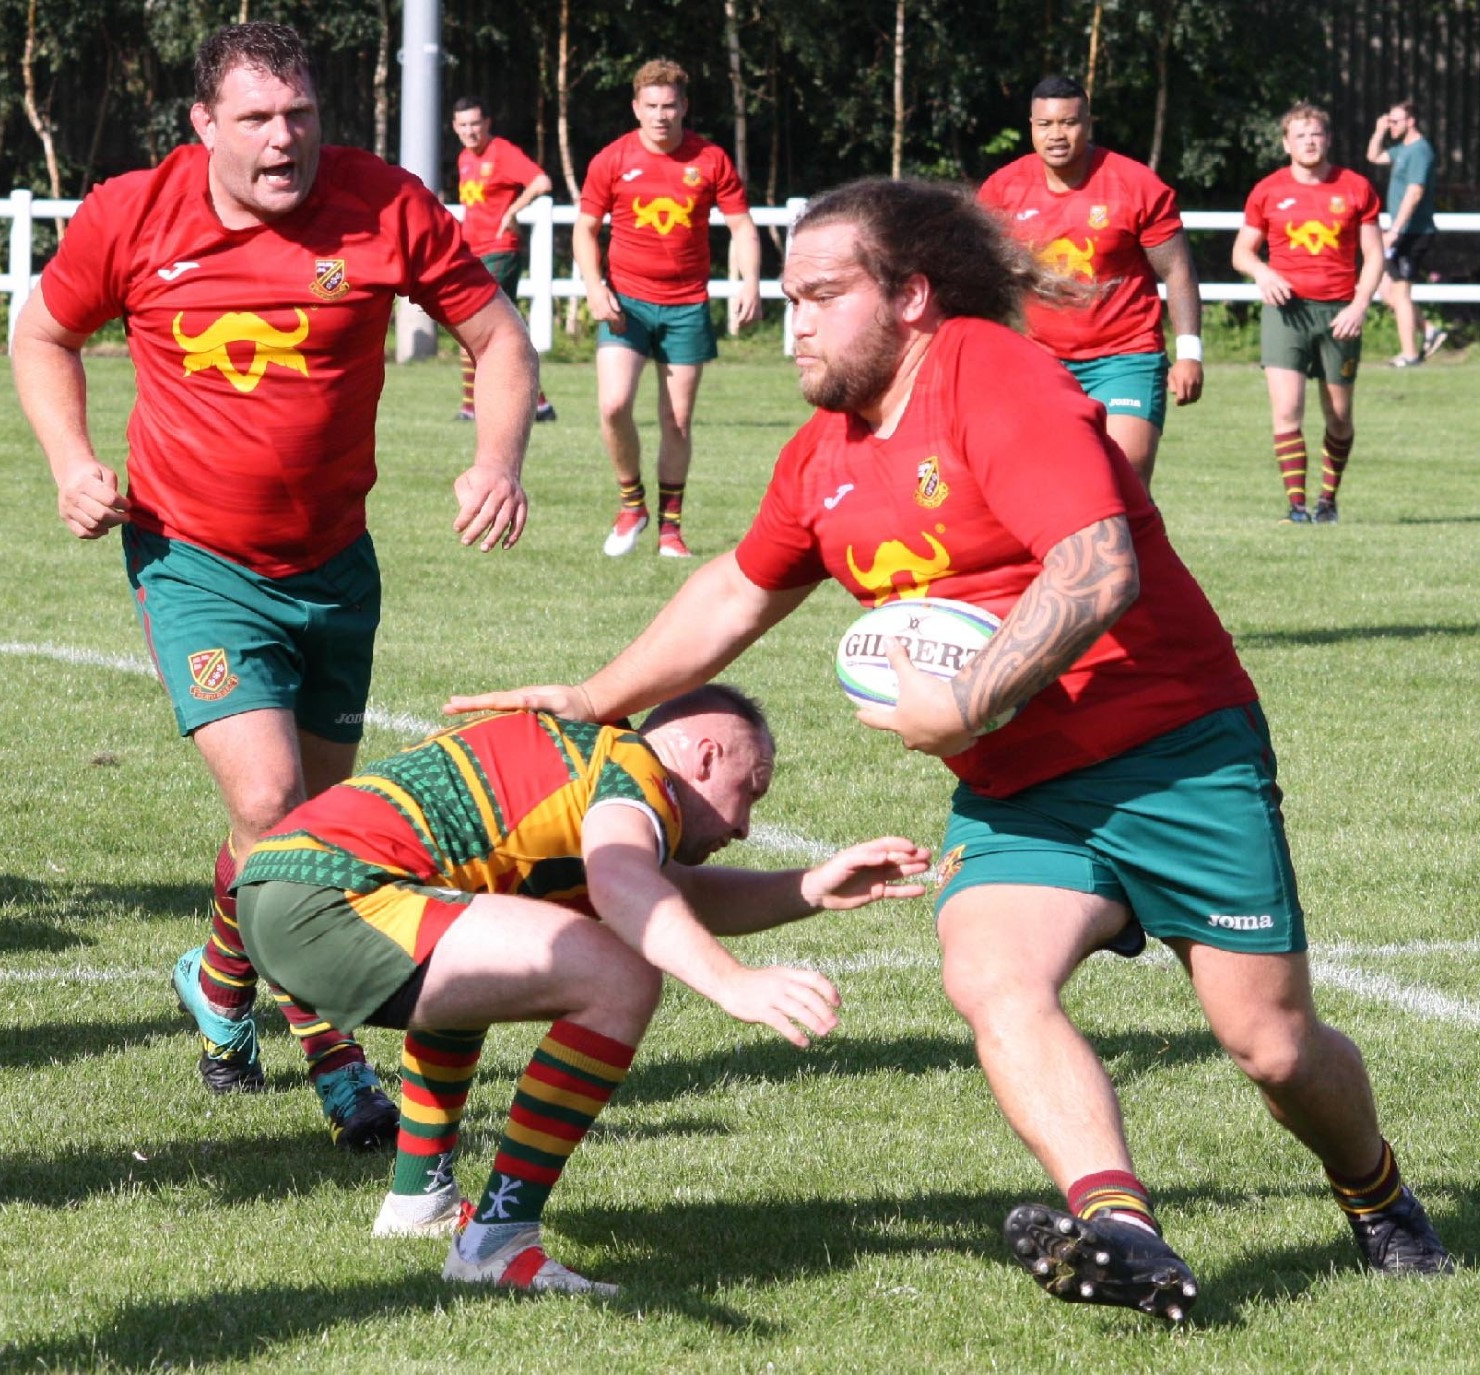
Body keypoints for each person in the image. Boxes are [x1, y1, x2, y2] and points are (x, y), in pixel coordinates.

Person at [449, 177, 1451, 1322]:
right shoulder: (825, 452)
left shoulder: (993, 374)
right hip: (1021, 789)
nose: (794, 322)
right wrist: (592, 697)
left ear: (912, 297)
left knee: (1271, 1045)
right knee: (990, 977)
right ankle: (1124, 1232)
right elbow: (737, 588)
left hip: (1172, 753)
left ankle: (1376, 1194)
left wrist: (970, 697)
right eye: (788, 297)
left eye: (823, 295)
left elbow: (1097, 564)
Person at [10, 21, 535, 1151]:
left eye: (300, 114)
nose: (284, 138)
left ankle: (216, 979)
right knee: (271, 806)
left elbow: (499, 338)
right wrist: (72, 464)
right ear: (204, 124)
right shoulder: (134, 215)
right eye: (256, 118)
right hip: (192, 559)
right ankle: (339, 1061)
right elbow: (43, 334)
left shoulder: (385, 205)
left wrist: (497, 461)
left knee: (306, 830)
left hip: (335, 567)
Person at [233, 685, 929, 1293]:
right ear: (705, 756)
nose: (746, 826)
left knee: (490, 945)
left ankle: (420, 1199)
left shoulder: (589, 760)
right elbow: (624, 885)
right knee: (619, 973)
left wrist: (810, 888)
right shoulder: (635, 770)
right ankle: (497, 1245)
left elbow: (670, 891)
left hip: (279, 886)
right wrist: (731, 982)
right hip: (333, 899)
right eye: (751, 789)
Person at [977, 75, 1203, 488]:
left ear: (1088, 123)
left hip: (1126, 356)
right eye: (1045, 124)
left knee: (1123, 475)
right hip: (1040, 359)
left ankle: (1134, 531)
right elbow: (980, 274)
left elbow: (1177, 270)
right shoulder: (1002, 190)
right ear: (1031, 126)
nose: (1056, 135)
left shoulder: (1136, 185)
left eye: (1069, 123)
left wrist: (1190, 353)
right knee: (1045, 484)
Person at [575, 59, 760, 559]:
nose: (661, 115)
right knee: (613, 405)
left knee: (676, 420)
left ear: (684, 107)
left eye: (670, 106)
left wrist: (749, 282)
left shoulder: (710, 159)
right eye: (652, 106)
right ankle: (631, 505)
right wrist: (594, 287)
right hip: (626, 303)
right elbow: (585, 229)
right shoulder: (612, 159)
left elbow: (742, 226)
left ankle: (670, 531)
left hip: (686, 306)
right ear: (636, 108)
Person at [1233, 103, 1384, 525]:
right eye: (1300, 136)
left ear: (1328, 139)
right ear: (1286, 144)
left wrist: (1359, 305)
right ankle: (1297, 507)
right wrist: (1263, 273)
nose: (1309, 142)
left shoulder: (1355, 188)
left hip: (1340, 314)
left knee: (1339, 416)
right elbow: (1242, 252)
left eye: (1316, 134)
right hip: (1286, 313)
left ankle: (1327, 501)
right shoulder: (1268, 190)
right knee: (1287, 409)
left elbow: (1374, 255)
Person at [451, 96, 557, 424]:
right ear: (455, 127)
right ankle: (539, 404)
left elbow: (541, 181)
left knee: (473, 323)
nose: (470, 131)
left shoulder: (502, 152)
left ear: (487, 123)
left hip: (500, 250)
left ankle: (471, 407)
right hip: (474, 252)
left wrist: (513, 210)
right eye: (463, 125)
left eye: (475, 124)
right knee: (503, 332)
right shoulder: (465, 158)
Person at [1365, 100, 1445, 368]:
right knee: (1384, 287)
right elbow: (1374, 157)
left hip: (1412, 232)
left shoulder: (1420, 151)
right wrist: (1379, 131)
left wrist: (1395, 230)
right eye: (1389, 121)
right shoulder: (1402, 149)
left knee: (1399, 293)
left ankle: (1409, 354)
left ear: (1411, 122)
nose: (1391, 126)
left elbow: (1415, 192)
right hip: (1402, 231)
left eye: (1395, 121)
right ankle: (1429, 330)